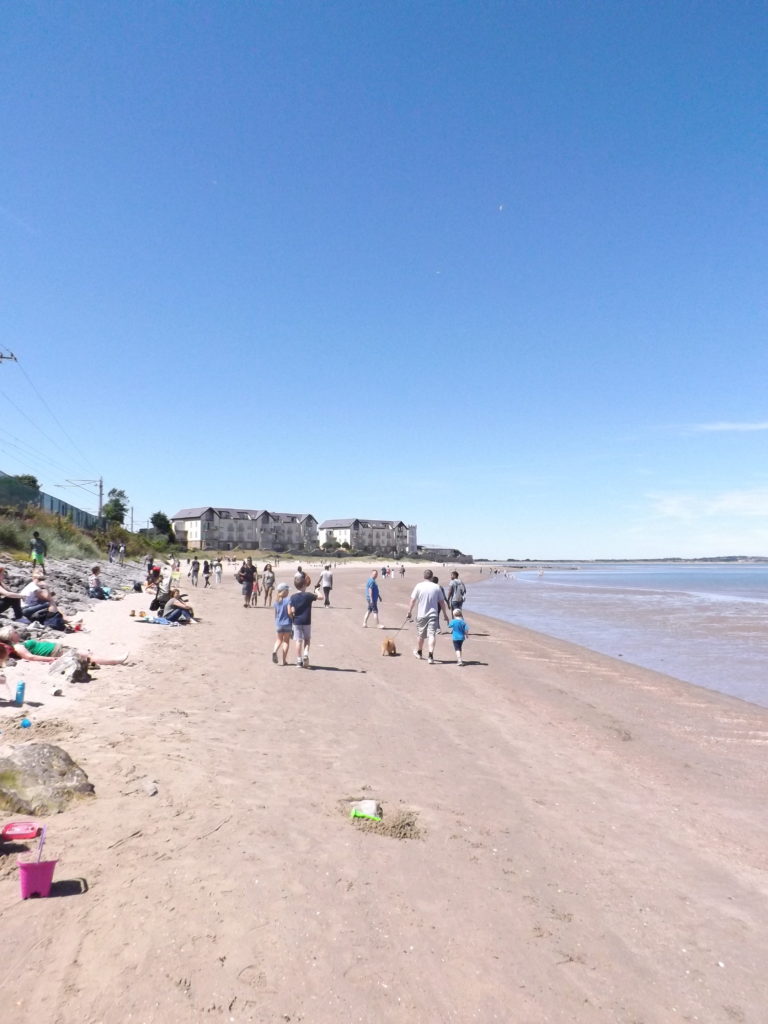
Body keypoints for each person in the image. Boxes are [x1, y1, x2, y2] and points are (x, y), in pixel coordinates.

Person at [0, 626, 128, 665]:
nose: (18, 632)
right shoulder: (18, 646)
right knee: (87, 655)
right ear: (11, 636)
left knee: (86, 653)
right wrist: (50, 659)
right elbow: (30, 657)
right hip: (55, 653)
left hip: (57, 649)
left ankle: (112, 660)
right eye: (15, 632)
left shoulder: (20, 643)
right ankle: (116, 660)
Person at [407, 569, 451, 664]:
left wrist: (409, 611)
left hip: (421, 615)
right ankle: (430, 656)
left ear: (424, 576)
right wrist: (445, 614)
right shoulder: (436, 587)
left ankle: (419, 652)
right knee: (432, 635)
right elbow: (442, 602)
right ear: (432, 577)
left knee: (421, 634)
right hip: (433, 614)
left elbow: (413, 600)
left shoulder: (419, 586)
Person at [288, 572, 316, 668]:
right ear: (304, 585)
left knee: (298, 641)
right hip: (307, 621)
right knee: (307, 640)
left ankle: (299, 661)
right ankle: (306, 654)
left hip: (297, 622)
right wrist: (317, 590)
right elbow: (321, 597)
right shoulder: (308, 595)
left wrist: (292, 618)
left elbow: (291, 611)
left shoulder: (292, 597)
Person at [271, 582, 292, 665]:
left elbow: (276, 614)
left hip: (279, 623)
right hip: (287, 623)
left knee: (279, 640)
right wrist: (292, 619)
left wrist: (276, 622)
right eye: (287, 590)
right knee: (286, 641)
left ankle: (274, 651)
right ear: (284, 591)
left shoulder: (276, 601)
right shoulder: (288, 600)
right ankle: (284, 660)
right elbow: (289, 612)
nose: (288, 592)